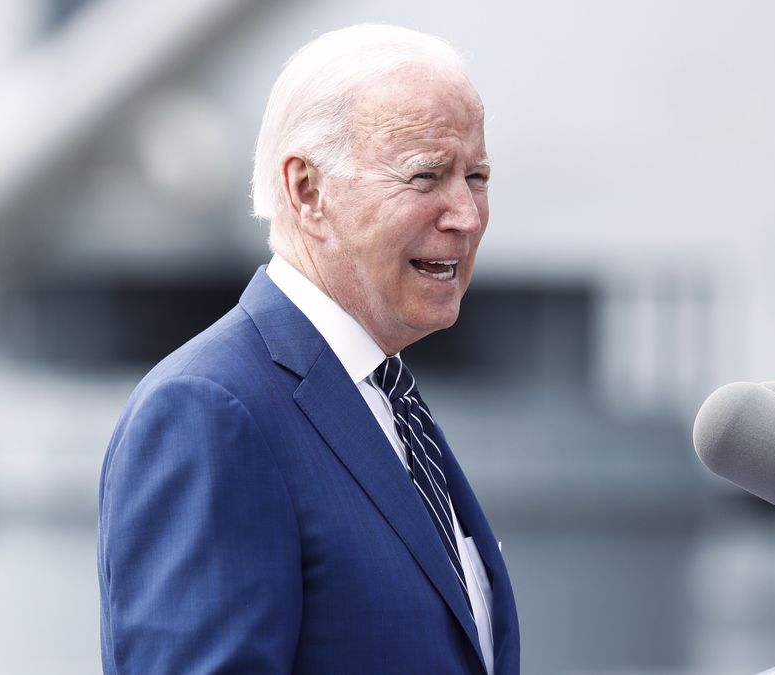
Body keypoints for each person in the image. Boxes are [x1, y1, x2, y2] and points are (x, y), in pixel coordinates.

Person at [97, 23, 520, 675]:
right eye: (426, 176)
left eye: (478, 175)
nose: (465, 213)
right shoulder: (209, 412)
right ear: (306, 191)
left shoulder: (386, 401)